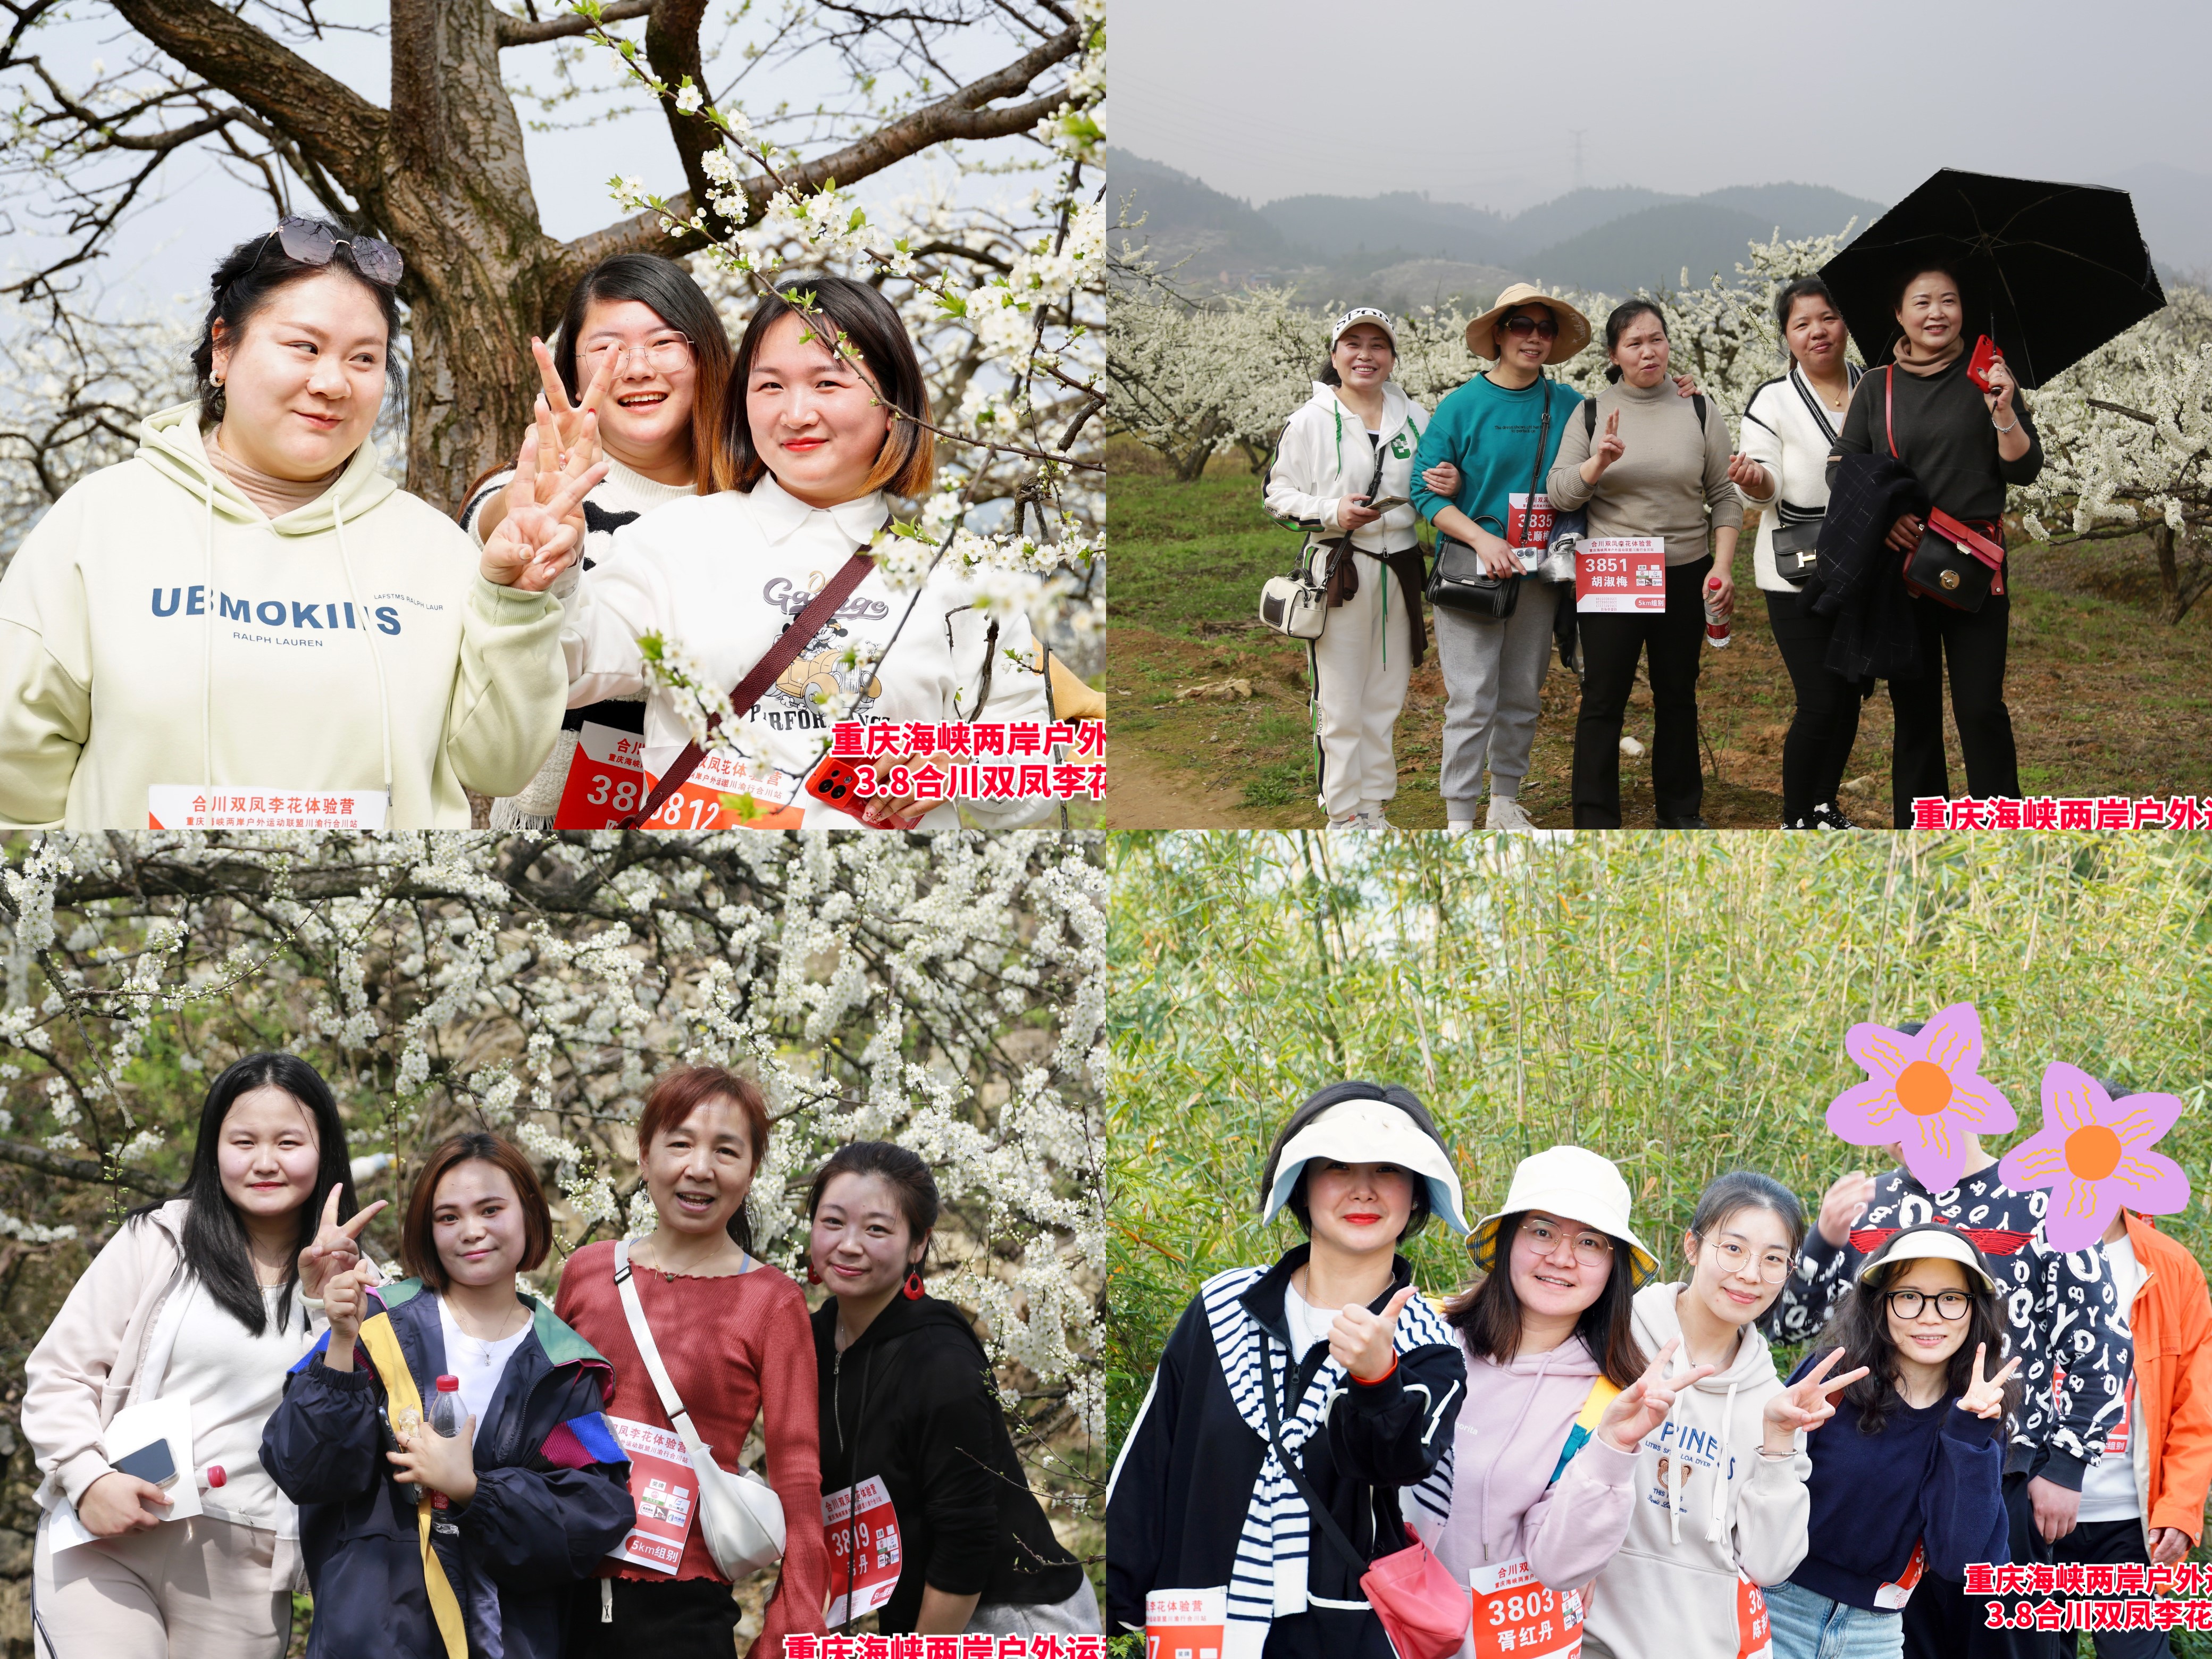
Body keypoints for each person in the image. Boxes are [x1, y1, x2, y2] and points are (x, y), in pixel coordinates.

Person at [0, 215, 602, 830]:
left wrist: (517, 602)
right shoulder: (102, 520)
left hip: (382, 923)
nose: (331, 382)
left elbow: (500, 766)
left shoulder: (430, 550)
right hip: (141, 922)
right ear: (223, 347)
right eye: (304, 347)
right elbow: (16, 775)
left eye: (364, 359)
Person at [557, 274, 1055, 829]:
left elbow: (1037, 767)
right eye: (769, 387)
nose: (794, 415)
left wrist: (958, 767)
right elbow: (568, 666)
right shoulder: (676, 539)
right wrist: (545, 573)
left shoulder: (963, 576)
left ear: (895, 406)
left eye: (827, 383)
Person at [1772, 1037, 2121, 1659]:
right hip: (1878, 1466)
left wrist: (2064, 1467)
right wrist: (1824, 1239)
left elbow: (2100, 1342)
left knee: (2016, 1648)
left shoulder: (2035, 1198)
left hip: (2001, 1471)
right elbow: (1792, 1325)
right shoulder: (1869, 1202)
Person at [1106, 1082, 1471, 1658]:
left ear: (1417, 1194)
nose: (1362, 1189)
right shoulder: (1221, 1307)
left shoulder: (1430, 1348)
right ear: (1301, 1183)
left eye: (1386, 1169)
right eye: (1336, 1166)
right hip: (1199, 1629)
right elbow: (1147, 1474)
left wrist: (1378, 1380)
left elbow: (1394, 1465)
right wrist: (1116, 1620)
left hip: (1345, 1639)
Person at [23, 1054, 371, 1658]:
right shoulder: (157, 1242)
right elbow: (60, 1371)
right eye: (244, 1141)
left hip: (249, 1567)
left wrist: (325, 1311)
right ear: (214, 1148)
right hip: (111, 1537)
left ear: (326, 1152)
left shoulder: (362, 1286)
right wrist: (86, 1479)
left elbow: (342, 1443)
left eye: (289, 1142)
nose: (265, 1162)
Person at [264, 1132, 634, 1659]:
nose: (472, 1232)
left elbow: (593, 1513)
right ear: (427, 1229)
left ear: (529, 1213)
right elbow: (305, 1471)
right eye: (448, 1217)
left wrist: (474, 1490)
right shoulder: (376, 1326)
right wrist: (341, 1340)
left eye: (490, 1209)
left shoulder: (566, 1368)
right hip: (374, 1635)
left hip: (508, 1639)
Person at [554, 1065, 828, 1657]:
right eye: (679, 1143)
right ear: (644, 1153)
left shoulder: (772, 1302)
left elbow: (799, 1474)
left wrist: (788, 1632)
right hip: (558, 1588)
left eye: (725, 1151)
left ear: (752, 1170)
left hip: (679, 1613)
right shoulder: (587, 1272)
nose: (699, 1168)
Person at [458, 254, 737, 831]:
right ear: (572, 370)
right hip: (549, 823)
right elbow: (499, 522)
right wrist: (524, 516)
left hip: (724, 809)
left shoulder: (757, 503)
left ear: (704, 354)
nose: (635, 368)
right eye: (607, 348)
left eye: (663, 343)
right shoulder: (536, 491)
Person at [1410, 1145, 1719, 1659]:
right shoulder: (1424, 1337)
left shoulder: (1610, 1399)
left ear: (1612, 1266)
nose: (1562, 1257)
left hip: (1513, 1645)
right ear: (1508, 1239)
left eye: (1590, 1242)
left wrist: (1613, 1450)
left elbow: (1559, 1565)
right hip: (1389, 1627)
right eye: (1542, 1231)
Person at [807, 1140, 1096, 1637]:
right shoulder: (814, 1337)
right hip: (912, 1615)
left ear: (918, 1245)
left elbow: (967, 1543)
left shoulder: (940, 1362)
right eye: (833, 1222)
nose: (849, 1244)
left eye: (877, 1229)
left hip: (1006, 1619)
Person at [1580, 1172, 1848, 1659]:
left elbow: (1769, 1565)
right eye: (1733, 1249)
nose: (1750, 1274)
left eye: (1773, 1260)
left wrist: (1778, 1444)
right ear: (1693, 1246)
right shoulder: (1611, 1340)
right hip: (1590, 1639)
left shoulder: (1772, 1399)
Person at [1826, 264, 2042, 825]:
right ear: (1898, 315)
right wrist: (1885, 512)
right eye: (1921, 302)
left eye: (1948, 300)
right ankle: (1920, 838)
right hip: (1904, 571)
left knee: (1980, 708)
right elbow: (1840, 468)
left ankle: (2002, 836)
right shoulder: (1877, 386)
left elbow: (2024, 470)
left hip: (1975, 566)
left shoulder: (1988, 375)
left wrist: (2002, 413)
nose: (1936, 314)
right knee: (1914, 714)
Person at [1764, 1226, 2016, 1659]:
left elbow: (1964, 1564)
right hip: (1778, 1607)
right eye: (1909, 1295)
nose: (1930, 1316)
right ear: (1881, 1304)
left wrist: (1967, 1436)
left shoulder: (1978, 1417)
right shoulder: (1832, 1380)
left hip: (1874, 1634)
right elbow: (1759, 1489)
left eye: (1951, 1299)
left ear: (1976, 1311)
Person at [1548, 300, 1745, 829]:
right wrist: (1598, 463)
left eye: (1655, 339)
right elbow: (1560, 492)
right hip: (1613, 567)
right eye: (1633, 343)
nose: (1647, 351)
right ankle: (1594, 821)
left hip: (1684, 567)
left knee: (1676, 695)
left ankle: (1680, 814)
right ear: (1613, 354)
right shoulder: (1590, 412)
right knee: (1602, 698)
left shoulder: (1697, 408)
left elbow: (1724, 494)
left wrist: (1720, 566)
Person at [1262, 307, 1461, 827]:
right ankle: (1343, 815)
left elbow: (1433, 484)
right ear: (1334, 356)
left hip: (1398, 571)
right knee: (1341, 700)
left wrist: (1446, 486)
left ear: (1392, 357)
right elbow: (1276, 497)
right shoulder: (1309, 420)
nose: (1364, 355)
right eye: (1353, 345)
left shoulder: (1416, 419)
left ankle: (1373, 808)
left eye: (1377, 345)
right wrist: (1331, 511)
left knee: (1386, 695)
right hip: (1337, 573)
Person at [1410, 284, 1591, 834]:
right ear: (1498, 334)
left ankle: (1505, 803)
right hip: (1473, 571)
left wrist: (1680, 392)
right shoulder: (1460, 406)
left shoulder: (1568, 406)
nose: (1533, 337)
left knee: (1519, 693)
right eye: (1521, 326)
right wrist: (1481, 541)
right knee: (1469, 697)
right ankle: (1459, 815)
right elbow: (1425, 493)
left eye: (1544, 328)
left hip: (1536, 573)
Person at [2047, 1199, 2212, 1658]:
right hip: (2036, 1511)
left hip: (2129, 1523)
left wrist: (2180, 1509)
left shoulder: (2171, 1266)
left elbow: (2197, 1404)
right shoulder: (2028, 1248)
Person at [1732, 278, 1866, 830]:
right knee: (1818, 698)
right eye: (1802, 323)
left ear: (1844, 323)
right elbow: (1762, 486)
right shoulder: (1773, 399)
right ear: (1787, 336)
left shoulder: (1875, 385)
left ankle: (1822, 806)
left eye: (1828, 317)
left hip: (1863, 565)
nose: (1817, 332)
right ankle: (1793, 819)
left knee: (1849, 697)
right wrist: (1754, 479)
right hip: (1797, 570)